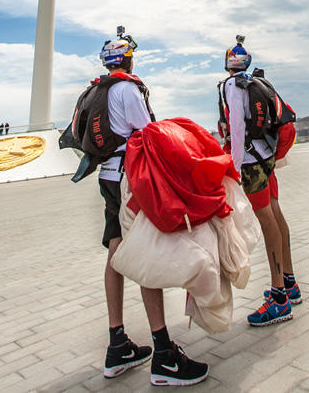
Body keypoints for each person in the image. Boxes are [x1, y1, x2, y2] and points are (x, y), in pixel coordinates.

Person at [95, 28, 208, 385]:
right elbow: (150, 134)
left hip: (107, 177)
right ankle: (163, 355)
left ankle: (118, 345)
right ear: (127, 58)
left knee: (116, 251)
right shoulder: (127, 89)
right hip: (130, 179)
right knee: (146, 253)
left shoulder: (93, 92)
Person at [218, 36, 302, 327]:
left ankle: (278, 298)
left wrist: (235, 165)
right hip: (267, 156)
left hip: (251, 162)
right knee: (275, 214)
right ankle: (289, 283)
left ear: (227, 63)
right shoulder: (258, 82)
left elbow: (237, 127)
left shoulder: (231, 85)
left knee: (266, 220)